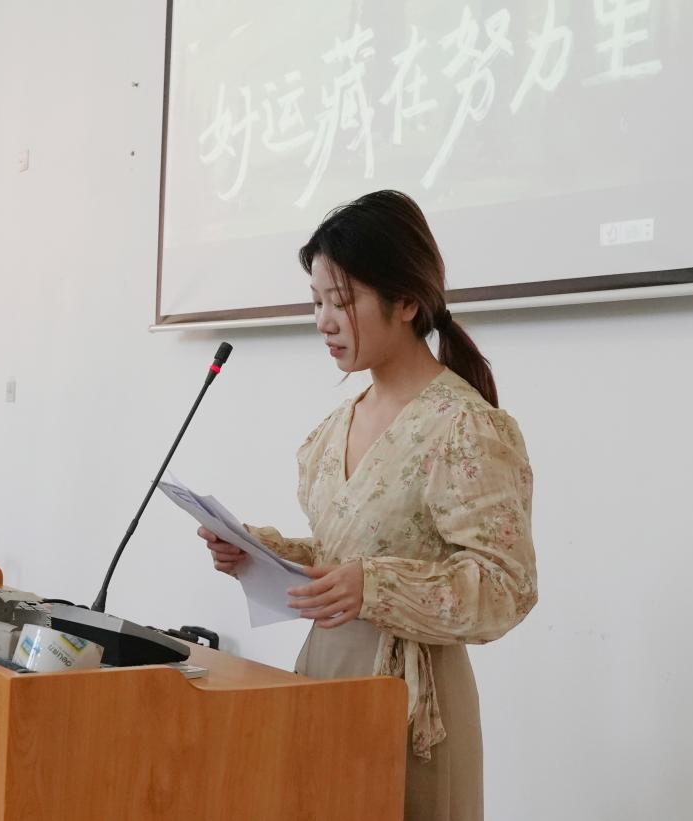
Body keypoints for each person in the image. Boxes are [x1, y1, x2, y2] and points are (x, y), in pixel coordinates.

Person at [198, 190, 538, 821]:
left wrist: (375, 587)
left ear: (406, 302)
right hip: (323, 677)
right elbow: (346, 553)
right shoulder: (333, 429)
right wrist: (263, 552)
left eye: (343, 301)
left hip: (412, 706)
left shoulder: (463, 427)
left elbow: (506, 587)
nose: (324, 321)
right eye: (317, 302)